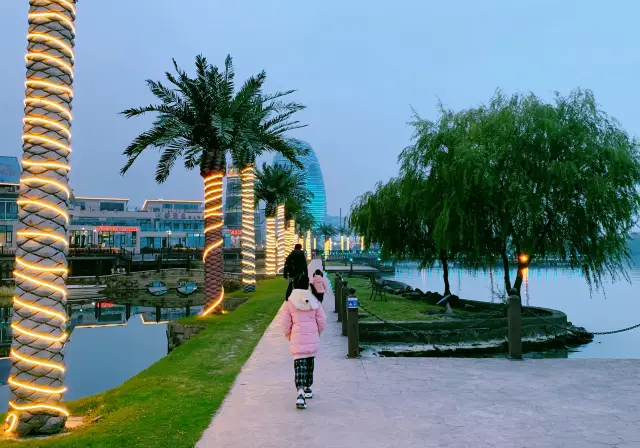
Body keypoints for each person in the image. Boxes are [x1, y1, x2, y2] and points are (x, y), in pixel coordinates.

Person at [277, 275, 327, 409]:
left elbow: (285, 324)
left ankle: (300, 393)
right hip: (312, 339)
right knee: (310, 364)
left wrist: (290, 336)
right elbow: (322, 321)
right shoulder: (314, 301)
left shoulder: (289, 303)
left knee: (299, 366)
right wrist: (317, 333)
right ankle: (307, 387)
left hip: (297, 339)